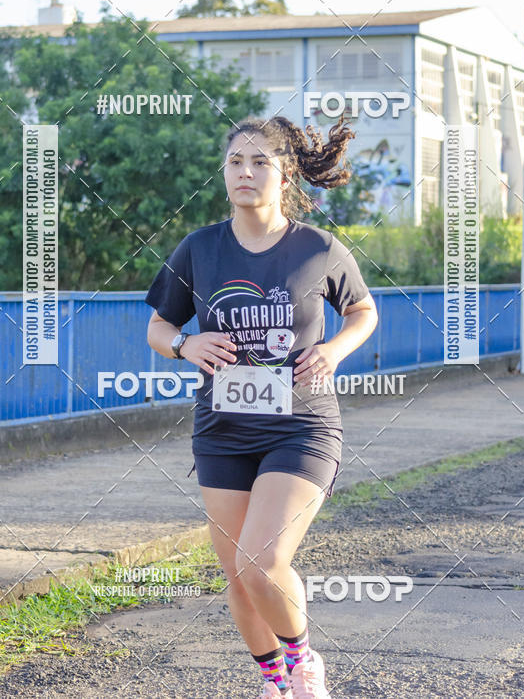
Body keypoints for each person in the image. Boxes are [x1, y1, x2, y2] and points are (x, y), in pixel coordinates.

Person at [145, 115, 378, 699]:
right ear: (224, 173)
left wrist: (332, 349)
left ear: (285, 173)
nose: (245, 173)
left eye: (260, 163)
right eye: (235, 163)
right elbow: (159, 324)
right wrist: (185, 343)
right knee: (239, 577)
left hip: (302, 425)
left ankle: (303, 663)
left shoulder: (318, 248)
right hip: (222, 430)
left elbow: (363, 313)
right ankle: (274, 682)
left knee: (261, 559)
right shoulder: (199, 249)